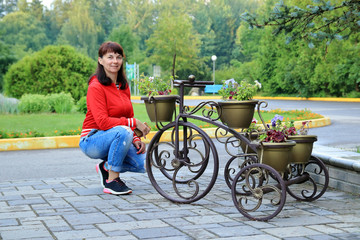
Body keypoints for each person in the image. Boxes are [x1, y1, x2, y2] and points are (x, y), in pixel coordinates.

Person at [79, 41, 150, 195]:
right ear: (100, 60)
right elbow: (103, 122)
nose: (115, 61)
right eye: (110, 57)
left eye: (118, 57)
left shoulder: (123, 86)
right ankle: (112, 181)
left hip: (117, 133)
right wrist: (133, 124)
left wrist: (136, 139)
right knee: (124, 131)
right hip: (92, 139)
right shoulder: (96, 86)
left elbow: (127, 115)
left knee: (142, 163)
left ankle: (106, 167)